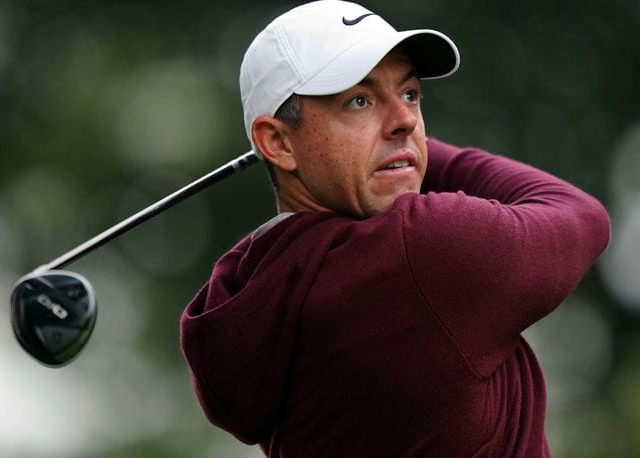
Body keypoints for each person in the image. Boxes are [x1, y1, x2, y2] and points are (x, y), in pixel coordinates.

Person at [180, 1, 611, 456]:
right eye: (359, 101)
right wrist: (408, 155)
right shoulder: (423, 253)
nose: (405, 120)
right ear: (278, 142)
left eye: (410, 95)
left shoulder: (257, 287)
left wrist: (389, 153)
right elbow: (580, 215)